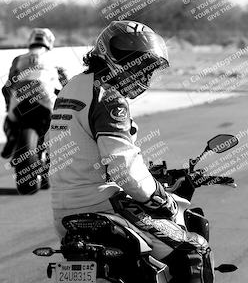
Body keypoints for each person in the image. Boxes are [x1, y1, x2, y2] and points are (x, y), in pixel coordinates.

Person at [46, 20, 214, 282]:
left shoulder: (73, 87)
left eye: (147, 68)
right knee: (194, 248)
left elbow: (77, 149)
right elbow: (124, 169)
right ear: (110, 55)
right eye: (137, 65)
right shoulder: (109, 98)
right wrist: (162, 198)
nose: (143, 75)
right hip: (105, 207)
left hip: (63, 212)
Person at [1, 28, 68, 159]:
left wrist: (8, 104)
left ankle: (11, 140)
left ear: (31, 40)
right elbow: (67, 84)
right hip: (46, 99)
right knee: (61, 126)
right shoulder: (54, 61)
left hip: (19, 99)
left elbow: (7, 86)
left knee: (9, 120)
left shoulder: (18, 59)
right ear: (49, 42)